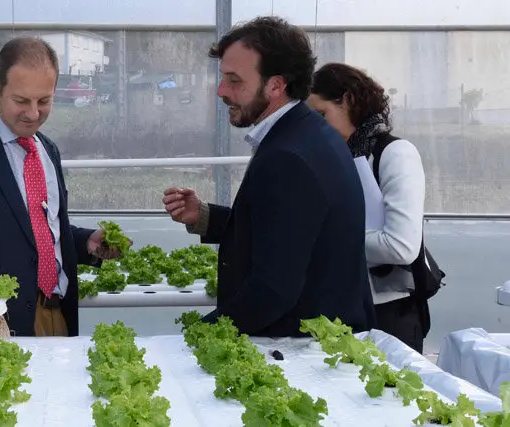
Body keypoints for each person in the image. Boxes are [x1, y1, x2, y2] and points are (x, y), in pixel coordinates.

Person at [162, 16, 376, 337]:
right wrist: (205, 217)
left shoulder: (287, 156)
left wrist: (199, 336)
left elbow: (273, 289)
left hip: (300, 345)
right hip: (325, 334)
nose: (221, 91)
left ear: (275, 85)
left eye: (234, 80)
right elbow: (286, 231)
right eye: (223, 78)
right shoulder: (310, 132)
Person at [0, 37, 124, 337]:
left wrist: (86, 243)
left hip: (59, 316)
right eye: (21, 101)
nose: (33, 114)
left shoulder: (48, 150)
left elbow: (39, 228)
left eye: (44, 101)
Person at [308, 63, 429, 353]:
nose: (317, 127)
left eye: (322, 114)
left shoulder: (395, 153)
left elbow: (401, 246)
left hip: (389, 313)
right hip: (338, 307)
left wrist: (322, 241)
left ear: (347, 99)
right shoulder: (330, 159)